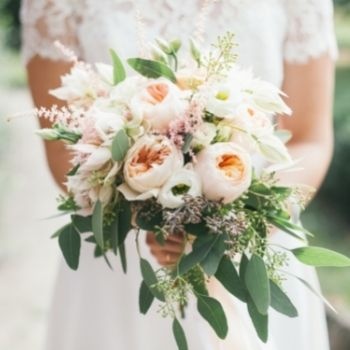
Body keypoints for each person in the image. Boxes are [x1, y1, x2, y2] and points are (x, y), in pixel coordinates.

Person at [21, 0, 337, 349]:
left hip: (251, 249)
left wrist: (231, 227)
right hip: (123, 255)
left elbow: (310, 139)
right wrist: (156, 220)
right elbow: (62, 150)